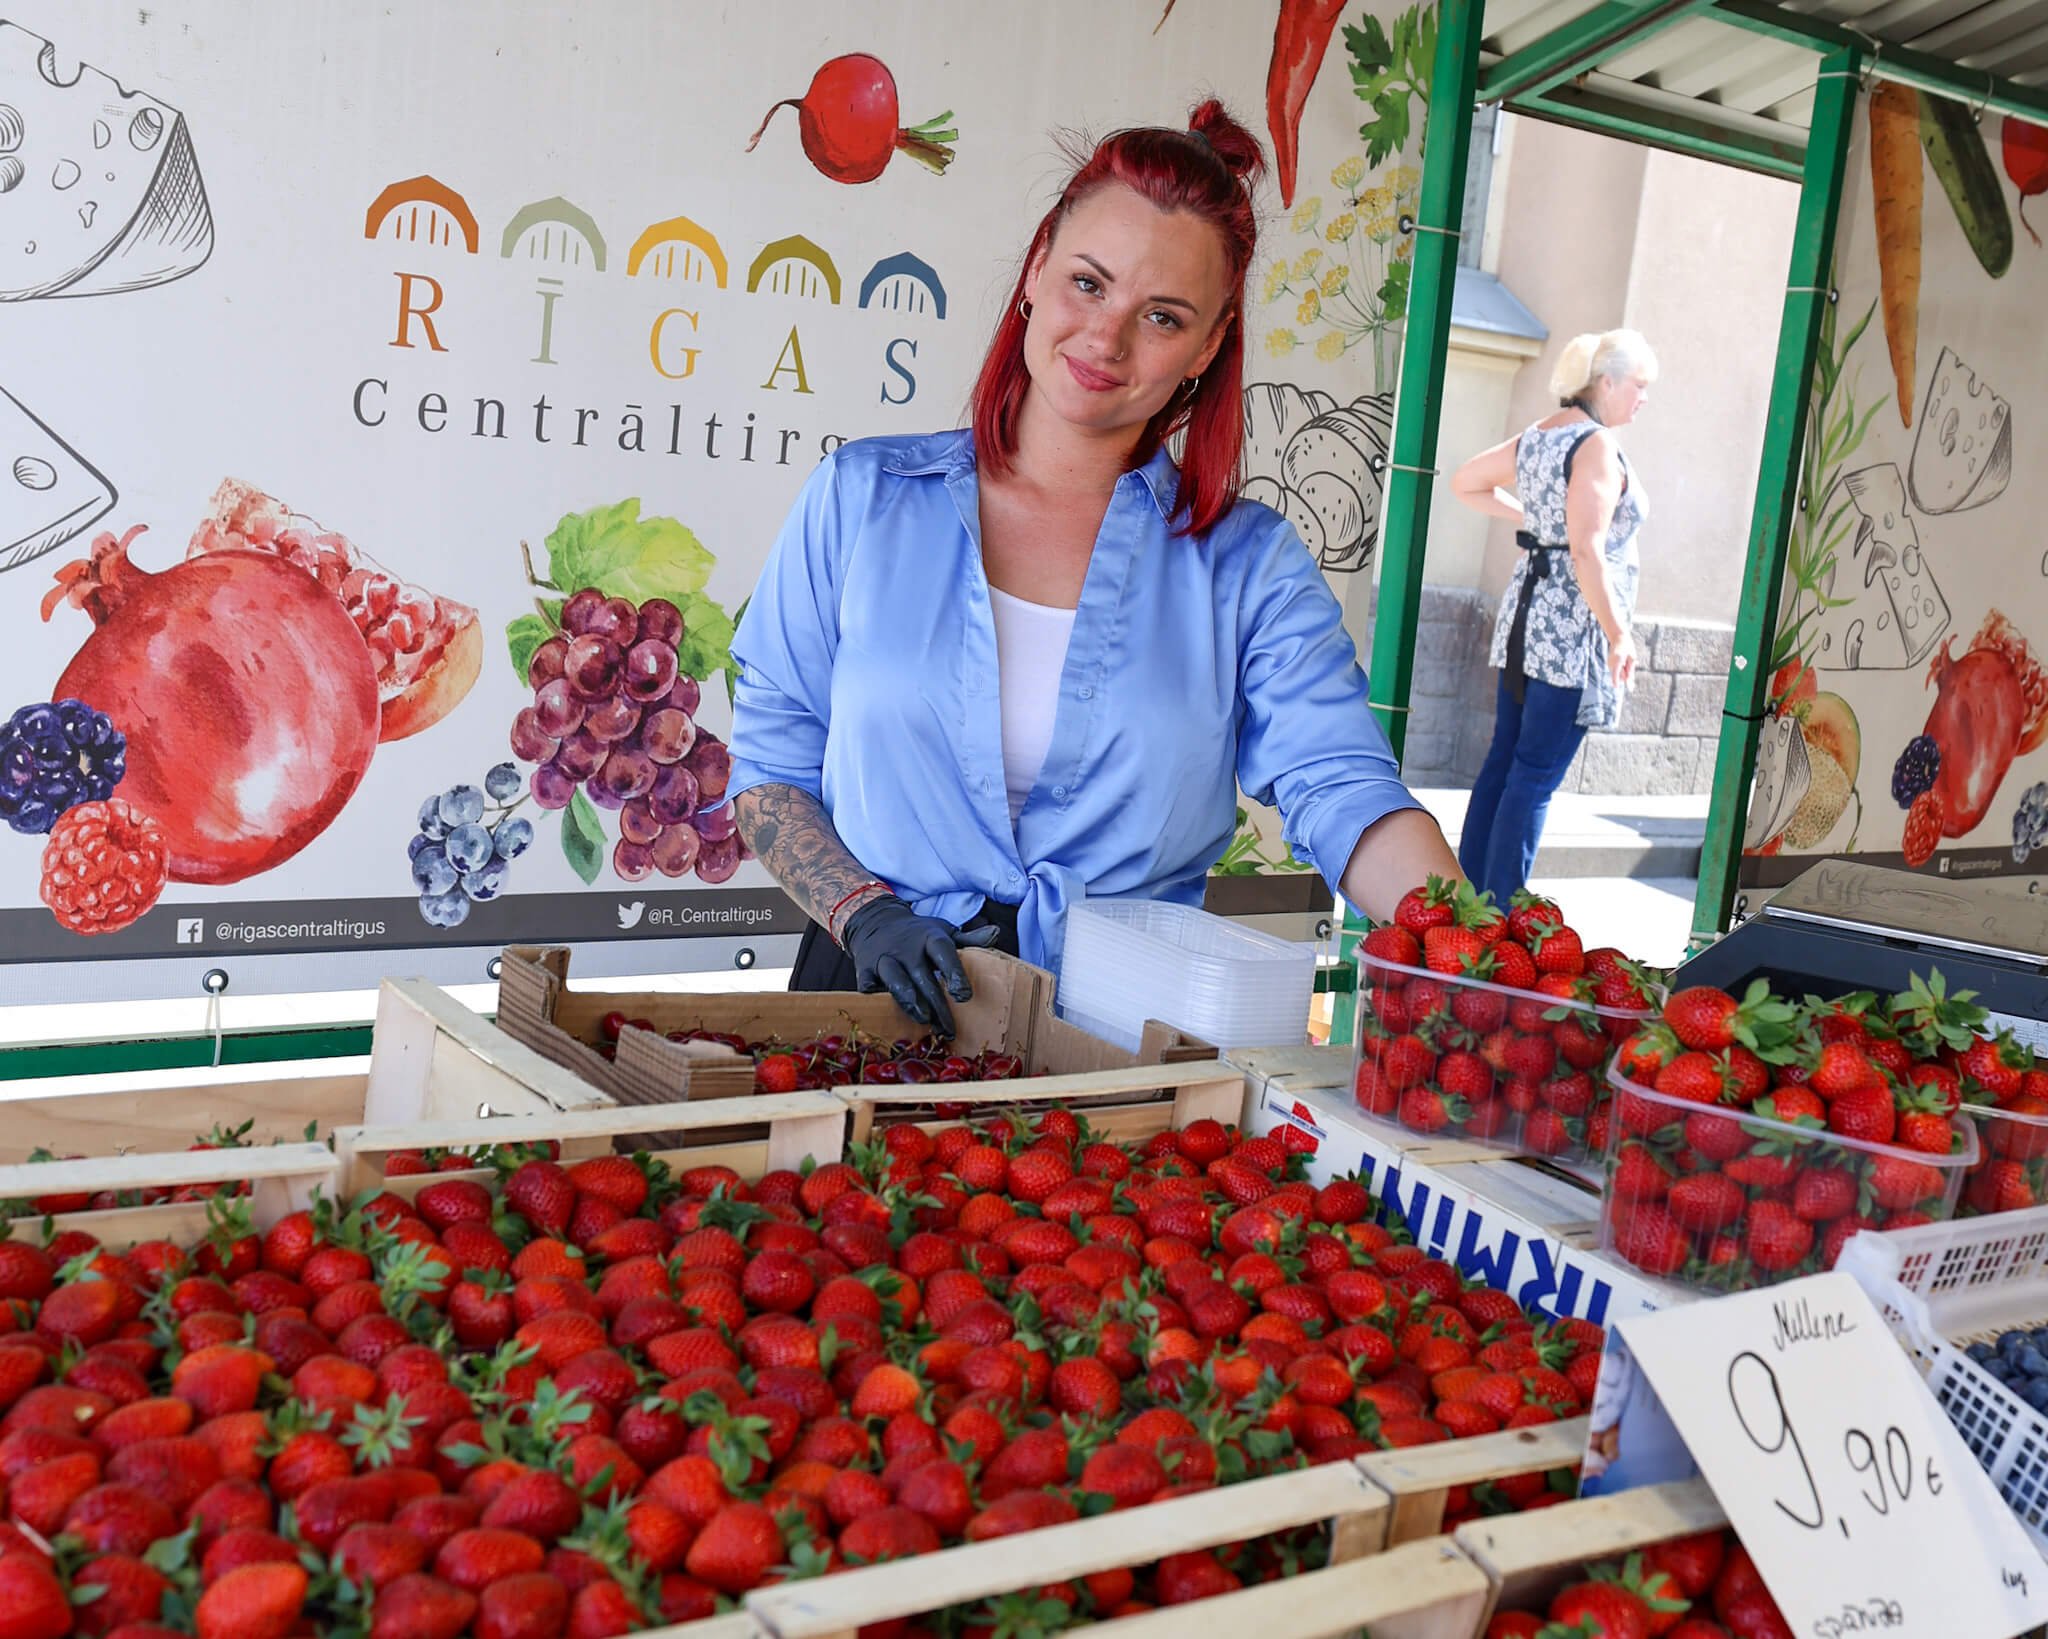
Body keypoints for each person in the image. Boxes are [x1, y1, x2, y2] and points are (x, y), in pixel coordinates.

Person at [726, 99, 1459, 1032]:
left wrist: (1475, 945)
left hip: (1117, 1031)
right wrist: (863, 913)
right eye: (1088, 283)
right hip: (873, 994)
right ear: (1036, 271)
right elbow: (768, 769)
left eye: (1162, 315)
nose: (1107, 340)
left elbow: (1343, 787)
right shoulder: (863, 498)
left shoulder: (1250, 569)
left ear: (1207, 344)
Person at [1447, 329, 1657, 905]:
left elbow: (1467, 481)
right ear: (1606, 382)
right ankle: (1504, 910)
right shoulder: (1596, 445)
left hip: (1525, 618)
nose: (1644, 398)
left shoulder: (1540, 435)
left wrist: (1533, 521)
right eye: (1639, 386)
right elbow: (1588, 548)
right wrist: (1619, 635)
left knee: (1504, 764)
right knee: (1534, 775)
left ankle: (1470, 903)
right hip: (1569, 627)